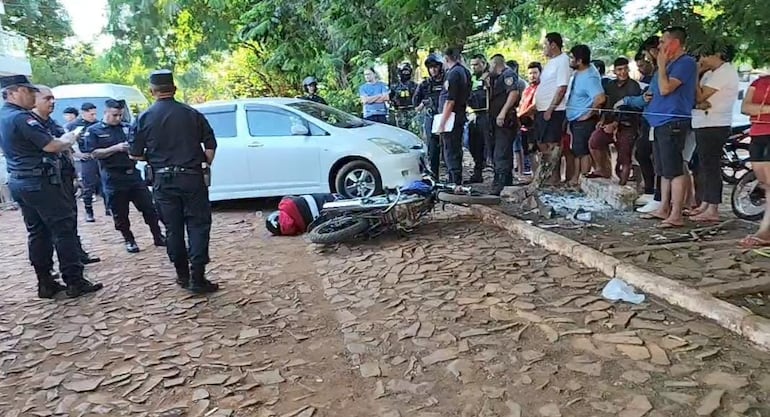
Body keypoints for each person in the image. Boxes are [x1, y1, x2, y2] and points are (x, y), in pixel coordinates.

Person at [0, 75, 103, 298]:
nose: (32, 96)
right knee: (63, 229)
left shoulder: (4, 116)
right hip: (40, 182)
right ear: (14, 92)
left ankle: (45, 282)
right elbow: (52, 145)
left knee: (37, 233)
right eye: (29, 91)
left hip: (20, 180)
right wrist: (69, 139)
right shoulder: (21, 118)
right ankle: (74, 281)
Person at [129, 70, 219, 294]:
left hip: (163, 179)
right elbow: (210, 146)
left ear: (152, 91)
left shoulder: (143, 118)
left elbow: (135, 154)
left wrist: (155, 159)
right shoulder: (192, 114)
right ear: (174, 89)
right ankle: (198, 277)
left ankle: (182, 275)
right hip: (192, 178)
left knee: (173, 228)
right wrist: (202, 164)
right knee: (198, 226)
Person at [85, 99, 166, 253]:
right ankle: (129, 240)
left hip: (133, 175)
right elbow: (94, 153)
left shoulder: (127, 128)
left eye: (120, 115)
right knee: (120, 214)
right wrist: (116, 148)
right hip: (113, 177)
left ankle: (158, 236)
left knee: (149, 208)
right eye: (115, 115)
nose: (118, 118)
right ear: (106, 112)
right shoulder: (95, 130)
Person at [31, 85, 100, 266]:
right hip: (46, 181)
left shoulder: (51, 122)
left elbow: (67, 147)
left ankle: (78, 254)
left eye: (53, 98)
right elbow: (54, 146)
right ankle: (69, 271)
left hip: (64, 176)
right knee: (58, 226)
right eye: (47, 98)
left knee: (70, 218)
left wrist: (76, 176)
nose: (52, 102)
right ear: (34, 100)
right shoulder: (32, 124)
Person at [644, 27, 698, 229]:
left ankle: (676, 213)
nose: (659, 46)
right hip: (658, 121)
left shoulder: (685, 63)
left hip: (672, 121)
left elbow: (666, 88)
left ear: (674, 43)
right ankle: (663, 207)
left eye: (663, 41)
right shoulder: (666, 65)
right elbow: (656, 89)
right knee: (663, 169)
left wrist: (661, 65)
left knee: (674, 169)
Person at [689, 42, 739, 222]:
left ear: (718, 54)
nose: (701, 60)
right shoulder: (710, 73)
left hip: (715, 124)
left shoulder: (725, 72)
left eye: (705, 55)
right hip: (703, 122)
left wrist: (695, 74)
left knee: (711, 166)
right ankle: (706, 203)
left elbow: (701, 96)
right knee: (703, 165)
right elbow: (696, 98)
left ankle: (713, 208)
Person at [587, 57, 642, 183]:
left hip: (627, 125)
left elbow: (632, 110)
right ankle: (602, 169)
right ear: (615, 71)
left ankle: (623, 185)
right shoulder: (610, 85)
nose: (622, 72)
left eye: (624, 69)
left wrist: (615, 124)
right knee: (594, 141)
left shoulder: (634, 86)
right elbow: (607, 105)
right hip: (609, 122)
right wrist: (602, 119)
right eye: (619, 69)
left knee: (624, 157)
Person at [565, 45, 605, 185]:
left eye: (571, 58)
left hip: (584, 121)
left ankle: (582, 180)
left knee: (582, 152)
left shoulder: (590, 76)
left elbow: (600, 98)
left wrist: (588, 114)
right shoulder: (578, 72)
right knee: (577, 150)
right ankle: (576, 178)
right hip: (575, 119)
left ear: (579, 60)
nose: (569, 60)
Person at [534, 32, 571, 183]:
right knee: (541, 143)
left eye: (545, 44)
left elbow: (562, 87)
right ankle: (546, 177)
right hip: (542, 109)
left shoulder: (563, 61)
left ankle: (554, 179)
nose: (544, 48)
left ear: (553, 44)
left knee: (552, 145)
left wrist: (551, 108)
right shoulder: (550, 62)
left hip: (555, 111)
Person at [739, 74, 770, 247]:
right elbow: (745, 107)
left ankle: (765, 230)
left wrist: (758, 109)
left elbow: (752, 107)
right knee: (764, 181)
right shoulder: (759, 82)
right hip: (757, 133)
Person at [65, 102, 106, 222]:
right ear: (83, 113)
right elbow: (66, 142)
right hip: (87, 157)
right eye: (91, 114)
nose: (93, 116)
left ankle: (110, 208)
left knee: (105, 183)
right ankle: (89, 211)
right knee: (88, 186)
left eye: (95, 114)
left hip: (99, 155)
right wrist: (77, 154)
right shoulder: (74, 125)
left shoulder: (98, 124)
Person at [436, 46, 471, 185]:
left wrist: (442, 123)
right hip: (459, 114)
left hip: (452, 117)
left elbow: (450, 101)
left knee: (450, 149)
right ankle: (455, 178)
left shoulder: (454, 73)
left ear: (445, 59)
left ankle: (454, 180)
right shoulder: (464, 71)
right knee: (454, 148)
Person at [488, 54, 521, 193]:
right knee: (501, 150)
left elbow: (513, 93)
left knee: (501, 151)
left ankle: (500, 182)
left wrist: (503, 112)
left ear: (495, 64)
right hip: (496, 119)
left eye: (490, 65)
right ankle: (506, 181)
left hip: (506, 119)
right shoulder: (495, 78)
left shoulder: (508, 74)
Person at [414, 54, 445, 178]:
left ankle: (454, 178)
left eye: (435, 67)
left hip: (446, 117)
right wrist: (425, 103)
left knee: (450, 149)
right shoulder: (425, 84)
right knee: (433, 149)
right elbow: (416, 104)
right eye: (431, 67)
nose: (433, 70)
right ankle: (434, 176)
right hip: (431, 118)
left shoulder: (448, 81)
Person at [266, 193, 342, 236]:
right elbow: (288, 197)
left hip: (325, 215)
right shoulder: (285, 205)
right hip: (326, 199)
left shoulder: (294, 230)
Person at [467, 54, 491, 183]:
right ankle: (478, 173)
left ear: (484, 64)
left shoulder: (489, 77)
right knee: (473, 144)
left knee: (488, 145)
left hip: (486, 114)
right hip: (473, 115)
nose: (474, 67)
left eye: (476, 64)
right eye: (472, 65)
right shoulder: (470, 79)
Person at [518, 62, 542, 177]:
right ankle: (534, 176)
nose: (532, 75)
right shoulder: (527, 90)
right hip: (524, 125)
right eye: (530, 73)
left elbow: (535, 106)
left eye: (535, 73)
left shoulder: (542, 88)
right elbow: (522, 104)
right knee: (529, 152)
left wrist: (521, 114)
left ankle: (541, 176)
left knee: (539, 151)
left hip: (536, 124)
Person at [390, 62, 418, 130]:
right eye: (404, 71)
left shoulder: (415, 86)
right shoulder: (395, 86)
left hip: (412, 111)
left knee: (414, 131)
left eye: (407, 71)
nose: (405, 73)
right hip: (400, 112)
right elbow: (390, 99)